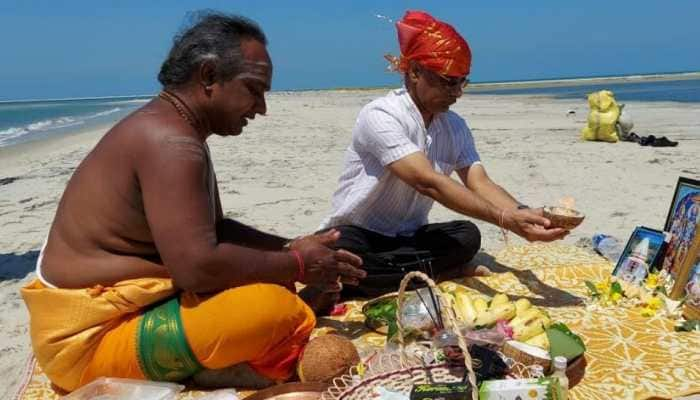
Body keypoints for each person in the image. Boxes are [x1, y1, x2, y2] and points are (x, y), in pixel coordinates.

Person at [21, 12, 364, 392]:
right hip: (85, 343)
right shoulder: (171, 143)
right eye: (254, 89)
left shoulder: (174, 130)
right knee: (274, 310)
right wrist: (298, 264)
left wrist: (289, 249)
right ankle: (224, 369)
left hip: (121, 311)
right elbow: (195, 270)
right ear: (208, 77)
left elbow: (214, 231)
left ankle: (221, 357)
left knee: (275, 284)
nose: (262, 107)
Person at [319, 10, 567, 297]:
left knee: (467, 235)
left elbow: (480, 182)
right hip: (361, 234)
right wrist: (504, 220)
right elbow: (428, 181)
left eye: (463, 82)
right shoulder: (381, 115)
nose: (458, 92)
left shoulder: (454, 126)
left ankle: (397, 277)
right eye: (449, 82)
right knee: (339, 253)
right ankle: (431, 273)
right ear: (414, 72)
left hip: (409, 237)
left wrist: (523, 214)